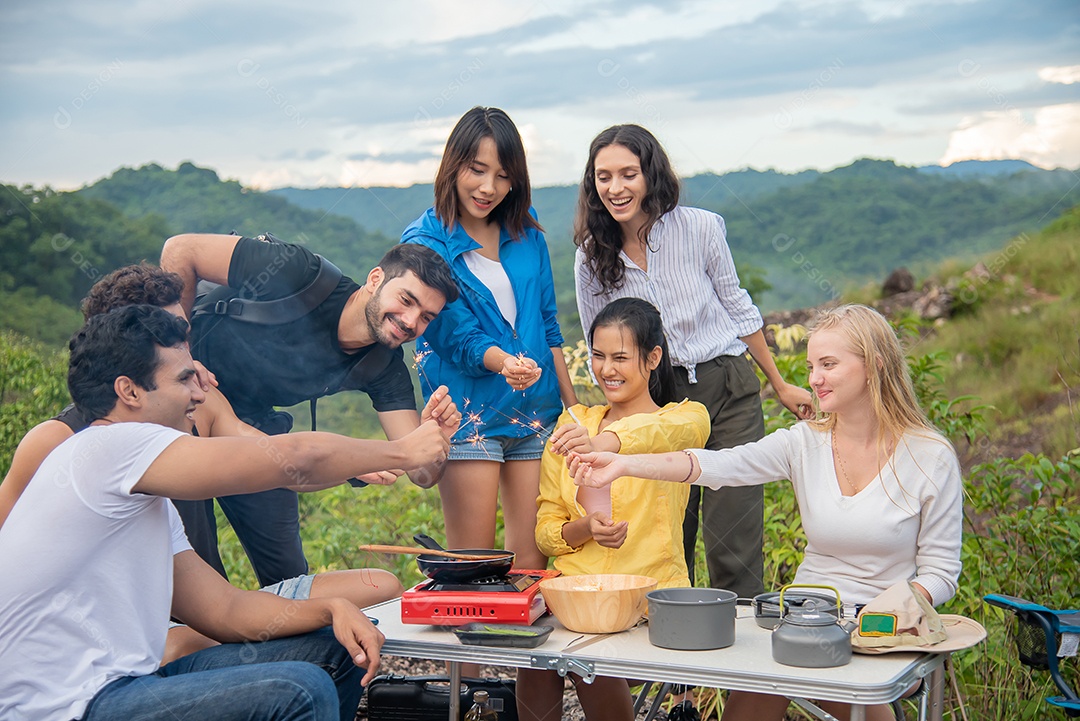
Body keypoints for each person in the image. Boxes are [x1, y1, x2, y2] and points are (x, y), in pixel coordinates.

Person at [0, 304, 451, 720]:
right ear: (129, 391)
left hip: (126, 685)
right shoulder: (106, 447)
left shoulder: (144, 498)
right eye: (183, 379)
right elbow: (296, 458)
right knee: (300, 690)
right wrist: (402, 450)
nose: (200, 393)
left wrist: (331, 610)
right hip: (64, 707)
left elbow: (225, 609)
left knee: (337, 652)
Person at [570, 304, 964, 721]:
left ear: (875, 365)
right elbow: (716, 466)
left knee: (840, 683)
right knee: (771, 677)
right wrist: (624, 464)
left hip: (886, 630)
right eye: (811, 366)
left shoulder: (929, 456)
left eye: (828, 364)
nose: (814, 379)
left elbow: (940, 572)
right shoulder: (804, 442)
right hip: (805, 620)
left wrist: (889, 612)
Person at [573, 123, 814, 598]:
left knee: (733, 536)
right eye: (604, 177)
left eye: (628, 174)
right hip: (656, 402)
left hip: (727, 388)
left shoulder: (701, 227)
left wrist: (780, 383)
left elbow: (737, 305)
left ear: (651, 174)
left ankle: (737, 642)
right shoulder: (591, 257)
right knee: (666, 534)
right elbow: (599, 344)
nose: (616, 188)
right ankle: (669, 642)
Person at [160, 236, 461, 586]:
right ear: (376, 279)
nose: (410, 321)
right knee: (196, 571)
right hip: (186, 406)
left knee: (288, 578)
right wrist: (179, 358)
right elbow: (181, 250)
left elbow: (419, 472)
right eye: (406, 300)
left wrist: (436, 440)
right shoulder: (297, 273)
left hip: (255, 426)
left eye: (426, 317)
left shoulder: (383, 366)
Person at [400, 106, 577, 572]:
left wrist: (575, 411)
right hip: (467, 415)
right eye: (477, 170)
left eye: (502, 175)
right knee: (473, 566)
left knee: (532, 570)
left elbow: (548, 323)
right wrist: (505, 363)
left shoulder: (525, 228)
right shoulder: (426, 242)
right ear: (453, 164)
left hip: (536, 413)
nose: (488, 188)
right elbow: (455, 335)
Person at [524, 297, 709, 721]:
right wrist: (585, 528)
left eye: (621, 358)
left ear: (653, 358)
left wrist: (604, 443)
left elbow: (664, 431)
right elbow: (547, 530)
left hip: (649, 598)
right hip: (576, 598)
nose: (607, 369)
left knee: (592, 661)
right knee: (534, 657)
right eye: (598, 356)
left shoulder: (684, 419)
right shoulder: (572, 426)